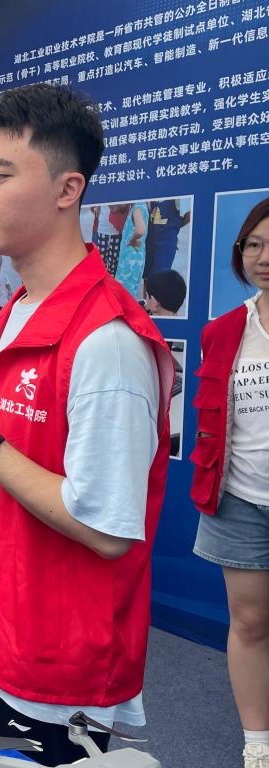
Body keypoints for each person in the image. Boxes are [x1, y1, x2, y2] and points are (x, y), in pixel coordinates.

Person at [0, 83, 174, 766]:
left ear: (68, 189)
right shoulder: (9, 318)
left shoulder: (108, 341)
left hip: (55, 666)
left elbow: (106, 529)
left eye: (0, 176)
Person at [190, 197, 269, 768]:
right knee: (250, 621)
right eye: (254, 245)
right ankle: (258, 739)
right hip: (240, 500)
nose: (263, 257)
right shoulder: (224, 330)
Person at [145, 198, 190, 279]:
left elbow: (189, 215)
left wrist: (174, 228)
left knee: (159, 278)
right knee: (146, 277)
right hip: (149, 243)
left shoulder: (178, 197)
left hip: (165, 247)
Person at [114, 201, 148, 299]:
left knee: (122, 293)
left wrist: (132, 240)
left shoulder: (137, 208)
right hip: (136, 258)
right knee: (129, 292)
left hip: (130, 261)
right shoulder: (142, 206)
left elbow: (140, 230)